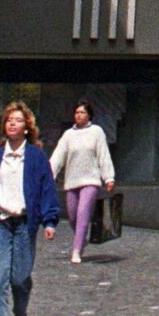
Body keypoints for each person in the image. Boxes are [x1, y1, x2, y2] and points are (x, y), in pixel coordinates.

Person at [0, 101, 61, 316]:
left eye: (18, 120)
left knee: (19, 278)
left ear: (27, 128)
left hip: (24, 223)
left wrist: (50, 220)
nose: (12, 123)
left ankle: (20, 311)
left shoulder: (36, 157)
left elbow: (47, 190)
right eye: (9, 120)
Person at [50, 100, 115, 263]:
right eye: (77, 112)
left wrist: (108, 177)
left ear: (89, 115)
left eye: (82, 112)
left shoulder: (97, 132)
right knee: (72, 216)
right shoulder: (68, 135)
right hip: (72, 181)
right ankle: (81, 238)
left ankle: (76, 249)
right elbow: (58, 155)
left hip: (90, 180)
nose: (79, 115)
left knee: (83, 213)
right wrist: (49, 175)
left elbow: (103, 154)